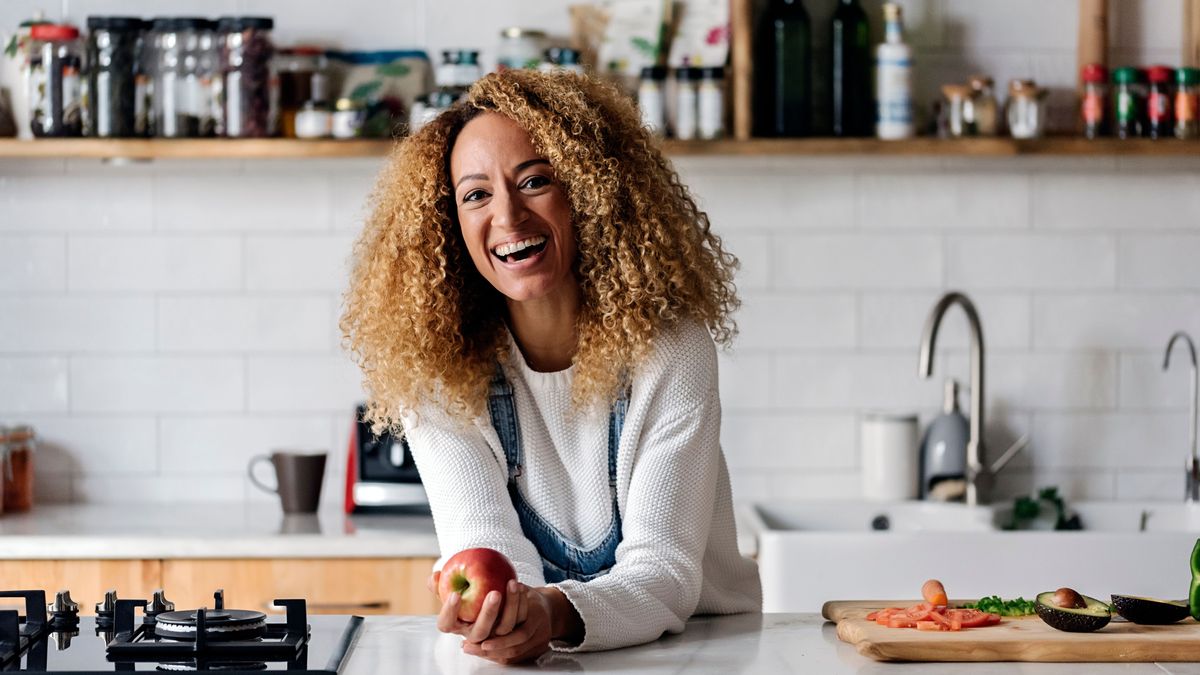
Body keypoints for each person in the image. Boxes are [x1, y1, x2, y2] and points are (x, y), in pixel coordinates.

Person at [340, 70, 761, 665]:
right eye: (476, 194)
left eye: (535, 180)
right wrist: (502, 615)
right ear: (449, 226)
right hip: (546, 658)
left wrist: (550, 613)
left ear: (590, 193)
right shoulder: (435, 367)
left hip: (705, 651)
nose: (508, 217)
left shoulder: (671, 347)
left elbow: (665, 569)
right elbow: (483, 545)